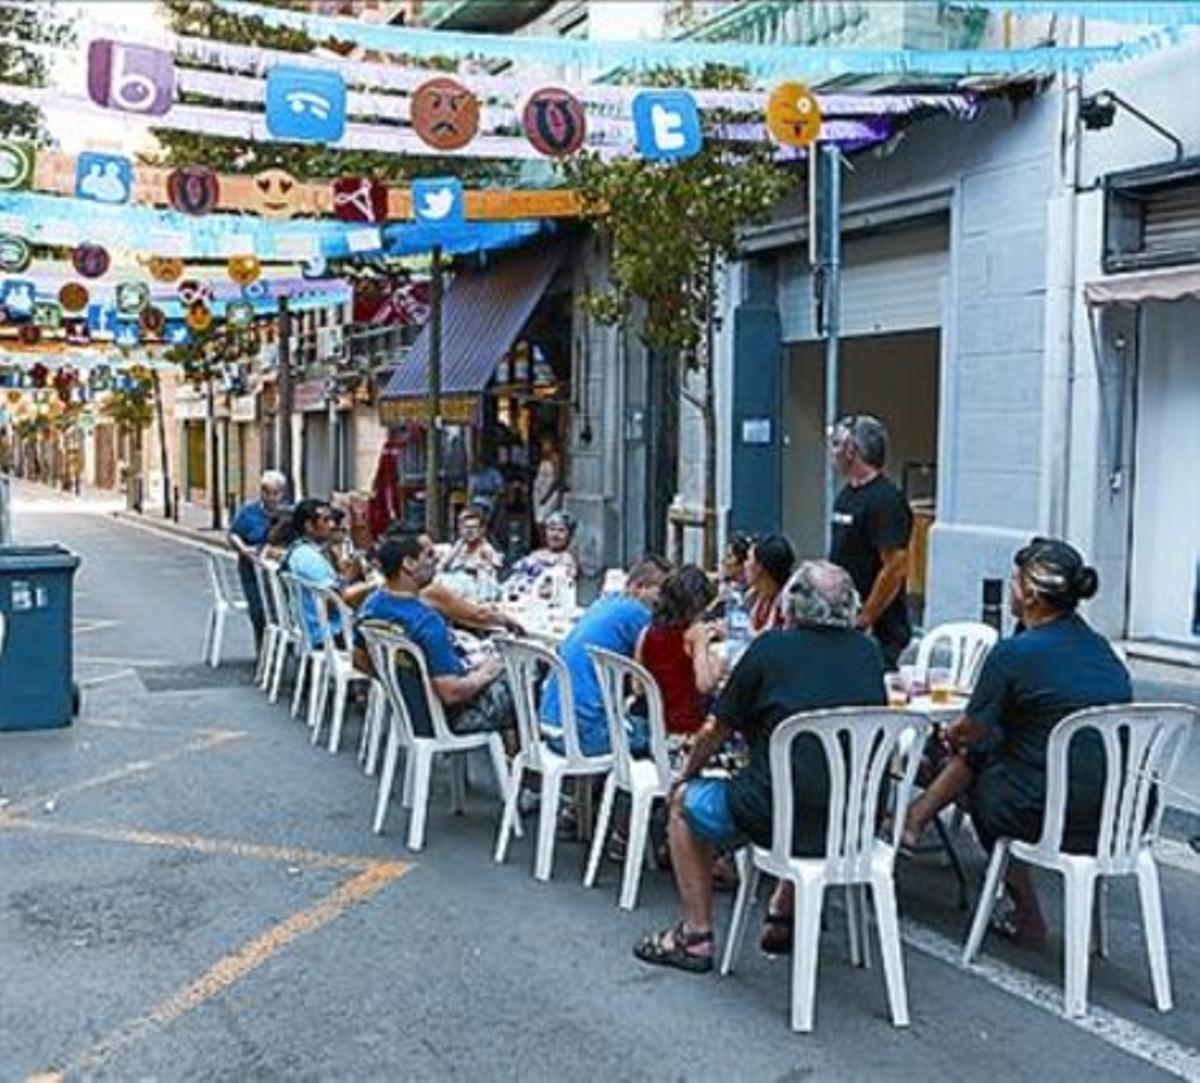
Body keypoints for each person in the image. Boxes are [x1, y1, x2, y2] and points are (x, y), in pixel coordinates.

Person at [632, 561, 885, 972]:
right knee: (808, 784)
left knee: (683, 804)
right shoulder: (869, 654)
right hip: (853, 822)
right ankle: (783, 912)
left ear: (792, 607)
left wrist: (687, 773)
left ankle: (694, 935)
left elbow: (716, 727)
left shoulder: (770, 650)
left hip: (777, 817)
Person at [902, 538, 1132, 948]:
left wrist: (947, 736)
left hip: (1044, 809)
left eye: (1014, 580)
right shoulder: (1103, 649)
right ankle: (914, 820)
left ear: (1030, 592)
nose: (1010, 589)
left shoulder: (1014, 653)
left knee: (975, 762)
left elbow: (971, 729)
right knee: (986, 752)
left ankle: (1026, 911)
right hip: (1120, 812)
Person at [354, 532, 516, 736]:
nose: (437, 559)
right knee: (526, 676)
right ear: (409, 564)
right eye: (429, 555)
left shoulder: (370, 607)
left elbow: (359, 660)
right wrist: (487, 672)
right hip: (446, 718)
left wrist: (400, 682)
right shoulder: (427, 622)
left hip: (407, 709)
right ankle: (527, 760)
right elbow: (451, 692)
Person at [540, 556, 672, 757]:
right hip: (582, 735)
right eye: (662, 593)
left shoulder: (604, 603)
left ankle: (608, 785)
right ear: (639, 587)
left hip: (551, 723)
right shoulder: (637, 613)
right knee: (663, 735)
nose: (665, 602)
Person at [828, 414, 913, 670]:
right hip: (843, 618)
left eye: (836, 445)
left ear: (852, 450)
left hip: (879, 630)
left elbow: (895, 567)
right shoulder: (846, 495)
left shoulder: (886, 500)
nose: (833, 453)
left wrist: (866, 616)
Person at [635, 565, 722, 739]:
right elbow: (705, 685)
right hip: (688, 725)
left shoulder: (646, 633)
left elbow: (637, 687)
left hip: (655, 724)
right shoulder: (695, 634)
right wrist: (711, 655)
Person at [227, 470, 287, 651]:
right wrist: (244, 550)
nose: (271, 497)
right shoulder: (248, 512)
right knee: (258, 610)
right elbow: (233, 535)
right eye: (267, 492)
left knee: (283, 609)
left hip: (278, 570)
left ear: (282, 493)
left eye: (275, 493)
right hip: (252, 568)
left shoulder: (287, 513)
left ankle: (283, 648)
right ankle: (263, 648)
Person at [744, 534, 795, 636]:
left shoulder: (786, 605)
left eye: (748, 559)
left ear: (760, 567)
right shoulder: (758, 596)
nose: (744, 564)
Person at [441, 505, 503, 578]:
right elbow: (442, 568)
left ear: (482, 530)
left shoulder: (487, 551)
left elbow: (491, 576)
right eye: (466, 527)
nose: (469, 531)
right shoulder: (456, 547)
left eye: (473, 527)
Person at [533, 436, 563, 526]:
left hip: (549, 493)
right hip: (539, 492)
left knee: (544, 519)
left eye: (546, 444)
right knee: (538, 520)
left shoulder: (555, 458)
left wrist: (547, 496)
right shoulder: (543, 458)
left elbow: (557, 478)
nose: (544, 446)